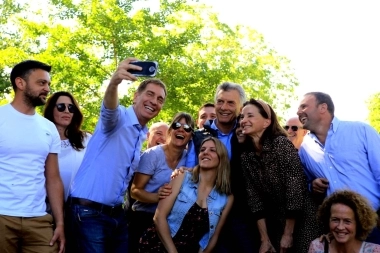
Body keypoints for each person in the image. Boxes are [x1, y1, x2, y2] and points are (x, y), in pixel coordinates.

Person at [68, 57, 167, 252]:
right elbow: (109, 109)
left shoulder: (141, 134)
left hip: (116, 215)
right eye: (150, 94)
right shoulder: (118, 118)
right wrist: (114, 82)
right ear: (135, 97)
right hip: (89, 212)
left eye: (160, 99)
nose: (154, 101)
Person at [239, 98, 321, 253]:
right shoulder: (246, 156)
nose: (244, 120)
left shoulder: (281, 144)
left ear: (266, 122)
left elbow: (295, 189)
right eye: (242, 117)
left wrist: (288, 234)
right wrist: (265, 239)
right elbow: (254, 199)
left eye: (250, 116)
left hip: (302, 220)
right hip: (276, 222)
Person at [297, 92, 380, 243]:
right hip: (338, 230)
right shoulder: (305, 149)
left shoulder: (360, 131)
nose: (298, 111)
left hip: (374, 223)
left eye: (304, 106)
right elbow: (306, 184)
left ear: (323, 107)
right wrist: (312, 186)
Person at [0, 60, 65, 252]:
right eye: (41, 83)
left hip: (38, 218)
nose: (47, 88)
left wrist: (60, 222)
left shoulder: (48, 128)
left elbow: (53, 179)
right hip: (2, 216)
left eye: (48, 84)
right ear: (20, 83)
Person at [138, 137, 234, 253]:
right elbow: (159, 217)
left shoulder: (226, 198)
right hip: (158, 245)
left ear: (222, 158)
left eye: (212, 150)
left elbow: (213, 236)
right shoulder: (182, 177)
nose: (205, 152)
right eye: (202, 149)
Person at [128, 112, 194, 252]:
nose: (181, 129)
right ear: (170, 131)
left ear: (191, 136)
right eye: (177, 125)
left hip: (171, 223)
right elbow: (135, 191)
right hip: (143, 219)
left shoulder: (189, 159)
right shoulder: (153, 155)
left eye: (187, 128)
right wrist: (157, 196)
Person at [43, 91, 92, 201]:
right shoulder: (40, 139)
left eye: (71, 108)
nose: (66, 110)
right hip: (45, 206)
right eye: (61, 107)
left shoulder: (86, 139)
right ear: (51, 110)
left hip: (78, 209)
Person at [308, 190, 380, 253]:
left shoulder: (374, 250)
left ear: (359, 223)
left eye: (347, 221)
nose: (340, 227)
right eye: (335, 220)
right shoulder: (318, 248)